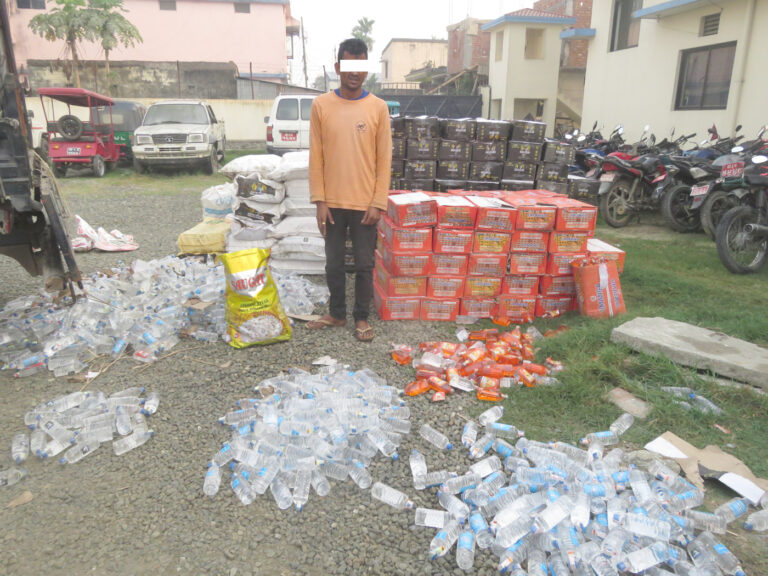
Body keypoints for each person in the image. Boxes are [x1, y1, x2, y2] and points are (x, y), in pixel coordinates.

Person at [307, 38, 392, 342]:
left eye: (360, 66)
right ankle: (337, 313)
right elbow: (316, 155)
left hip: (365, 203)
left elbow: (384, 159)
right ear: (338, 67)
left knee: (365, 264)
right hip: (331, 202)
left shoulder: (378, 108)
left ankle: (361, 317)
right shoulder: (321, 105)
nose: (354, 72)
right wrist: (319, 200)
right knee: (334, 263)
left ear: (366, 69)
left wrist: (378, 202)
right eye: (348, 65)